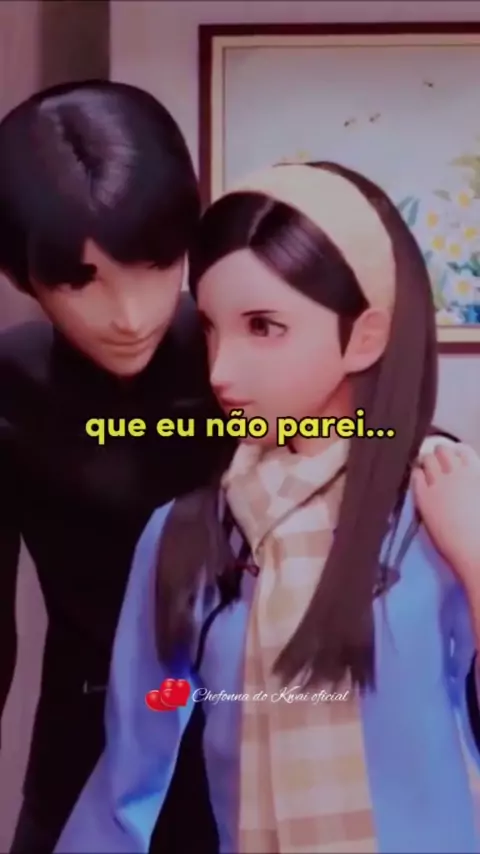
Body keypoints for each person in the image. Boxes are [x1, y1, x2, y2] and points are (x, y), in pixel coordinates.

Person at [56, 161, 480, 854]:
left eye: (263, 326)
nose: (221, 371)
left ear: (365, 336)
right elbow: (131, 768)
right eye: (212, 328)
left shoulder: (441, 501)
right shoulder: (187, 536)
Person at [0, 81, 232, 854]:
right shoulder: (10, 389)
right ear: (20, 273)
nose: (130, 316)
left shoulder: (249, 360)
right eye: (80, 280)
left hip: (263, 749)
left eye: (157, 263)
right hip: (86, 755)